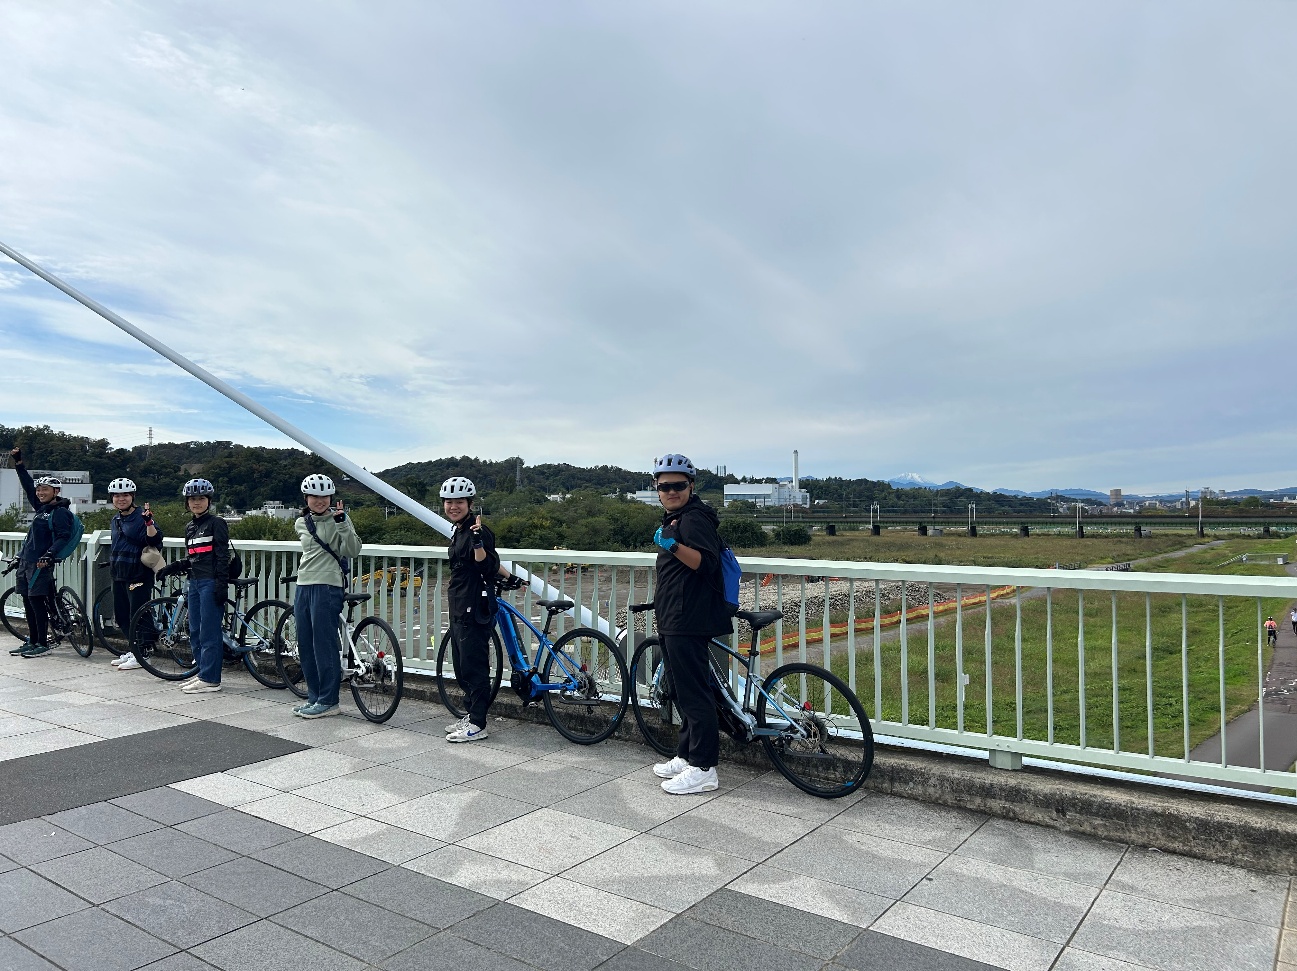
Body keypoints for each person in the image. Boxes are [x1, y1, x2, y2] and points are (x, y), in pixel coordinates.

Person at [649, 453, 732, 794]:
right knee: (683, 690)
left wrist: (671, 544)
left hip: (688, 618)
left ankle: (703, 768)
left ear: (691, 486)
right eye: (665, 486)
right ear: (657, 489)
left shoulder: (695, 518)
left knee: (695, 694)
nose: (671, 491)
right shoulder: (677, 516)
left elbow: (706, 563)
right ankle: (686, 755)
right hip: (674, 616)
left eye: (679, 485)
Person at [291, 473, 362, 719]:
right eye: (314, 496)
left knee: (324, 643)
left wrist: (342, 523)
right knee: (305, 643)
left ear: (331, 497)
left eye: (324, 496)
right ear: (306, 498)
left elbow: (352, 550)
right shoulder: (301, 522)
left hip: (328, 585)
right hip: (303, 584)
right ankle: (315, 697)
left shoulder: (340, 519)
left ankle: (329, 701)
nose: (319, 500)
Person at [441, 476, 501, 743]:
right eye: (449, 502)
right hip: (459, 605)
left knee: (474, 666)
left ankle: (478, 723)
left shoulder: (479, 532)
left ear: (470, 504)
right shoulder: (459, 530)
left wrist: (478, 544)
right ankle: (471, 714)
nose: (453, 506)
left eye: (459, 502)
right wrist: (512, 578)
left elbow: (486, 565)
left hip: (473, 606)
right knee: (462, 665)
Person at [156, 479, 228, 693]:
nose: (197, 502)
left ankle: (211, 679)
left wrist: (221, 584)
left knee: (209, 631)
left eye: (201, 498)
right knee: (194, 630)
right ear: (187, 502)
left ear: (209, 501)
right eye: (192, 499)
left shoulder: (216, 523)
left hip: (210, 581)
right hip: (194, 581)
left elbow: (222, 556)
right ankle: (203, 673)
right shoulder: (190, 527)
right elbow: (193, 558)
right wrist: (173, 566)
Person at [7, 447, 75, 658]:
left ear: (56, 491)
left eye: (45, 489)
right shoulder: (41, 508)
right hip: (26, 561)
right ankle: (33, 640)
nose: (40, 492)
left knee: (37, 604)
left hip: (41, 563)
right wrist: (19, 463)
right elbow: (28, 485)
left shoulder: (60, 512)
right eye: (39, 490)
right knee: (28, 602)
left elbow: (63, 536)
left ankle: (42, 644)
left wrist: (49, 554)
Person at [106, 478, 163, 672]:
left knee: (139, 614)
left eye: (125, 495)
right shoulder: (116, 519)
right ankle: (135, 649)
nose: (121, 499)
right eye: (116, 495)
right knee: (122, 616)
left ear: (132, 497)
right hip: (119, 573)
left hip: (138, 574)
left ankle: (144, 653)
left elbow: (155, 539)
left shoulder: (141, 517)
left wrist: (149, 523)